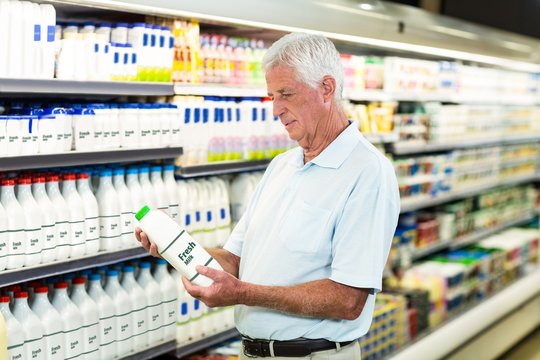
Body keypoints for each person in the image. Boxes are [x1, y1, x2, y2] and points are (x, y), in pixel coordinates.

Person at [136, 32, 400, 359]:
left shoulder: (368, 171)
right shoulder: (281, 166)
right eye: (272, 95)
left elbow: (347, 300)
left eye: (286, 93)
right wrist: (176, 248)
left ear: (326, 89)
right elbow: (234, 261)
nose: (276, 109)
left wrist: (244, 293)